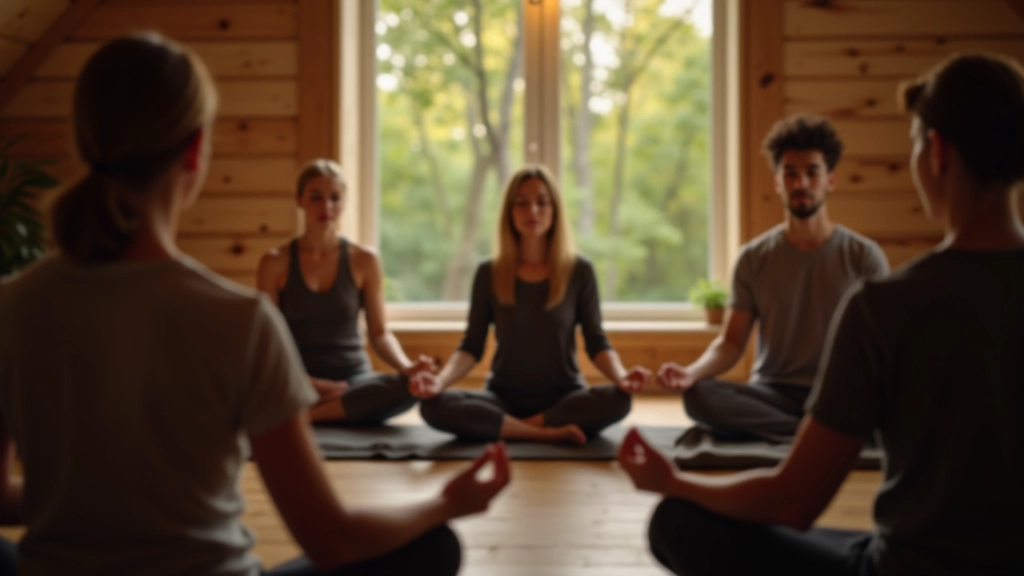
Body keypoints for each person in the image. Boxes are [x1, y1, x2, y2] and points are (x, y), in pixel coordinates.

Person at [0, 33, 510, 576]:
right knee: (434, 545)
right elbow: (331, 538)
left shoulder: (12, 306)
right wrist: (446, 502)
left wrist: (84, 500)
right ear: (195, 149)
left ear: (86, 143)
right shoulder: (237, 319)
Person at [620, 52, 1024, 575]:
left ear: (937, 152)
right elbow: (732, 343)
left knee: (677, 521)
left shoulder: (883, 301)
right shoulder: (763, 259)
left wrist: (670, 481)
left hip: (906, 566)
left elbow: (794, 503)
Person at [657, 115, 889, 441]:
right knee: (699, 396)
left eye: (812, 172)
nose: (801, 183)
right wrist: (690, 373)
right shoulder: (753, 258)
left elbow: (882, 344)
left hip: (837, 395)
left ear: (830, 180)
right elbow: (731, 343)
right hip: (773, 395)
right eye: (790, 173)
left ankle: (804, 434)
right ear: (778, 182)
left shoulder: (864, 256)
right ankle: (814, 438)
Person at [413, 165, 651, 444]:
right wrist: (438, 382)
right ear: (509, 213)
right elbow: (471, 346)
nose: (533, 211)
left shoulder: (579, 270)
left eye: (542, 201)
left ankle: (517, 430)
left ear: (555, 210)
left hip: (565, 397)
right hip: (502, 398)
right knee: (432, 406)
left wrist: (622, 378)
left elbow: (596, 342)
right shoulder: (488, 272)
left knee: (619, 400)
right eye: (522, 203)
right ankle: (544, 433)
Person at [257, 159, 432, 424]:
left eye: (335, 198)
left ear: (344, 203)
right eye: (316, 197)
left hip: (354, 379)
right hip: (298, 378)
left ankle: (309, 417)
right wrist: (307, 382)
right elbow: (268, 340)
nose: (326, 206)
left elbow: (379, 333)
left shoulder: (365, 260)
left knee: (407, 390)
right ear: (299, 200)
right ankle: (334, 408)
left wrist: (406, 367)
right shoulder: (274, 262)